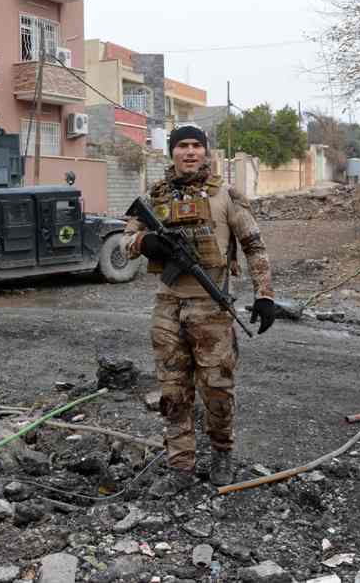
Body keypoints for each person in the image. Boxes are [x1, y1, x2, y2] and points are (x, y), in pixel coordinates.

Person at [121, 124, 276, 495]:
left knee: (218, 390)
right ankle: (180, 467)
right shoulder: (154, 196)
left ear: (206, 153)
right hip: (167, 307)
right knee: (173, 392)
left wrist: (265, 295)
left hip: (212, 307)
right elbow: (123, 241)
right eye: (182, 146)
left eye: (196, 146)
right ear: (171, 152)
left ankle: (222, 452)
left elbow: (255, 247)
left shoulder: (225, 195)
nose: (189, 152)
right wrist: (146, 241)